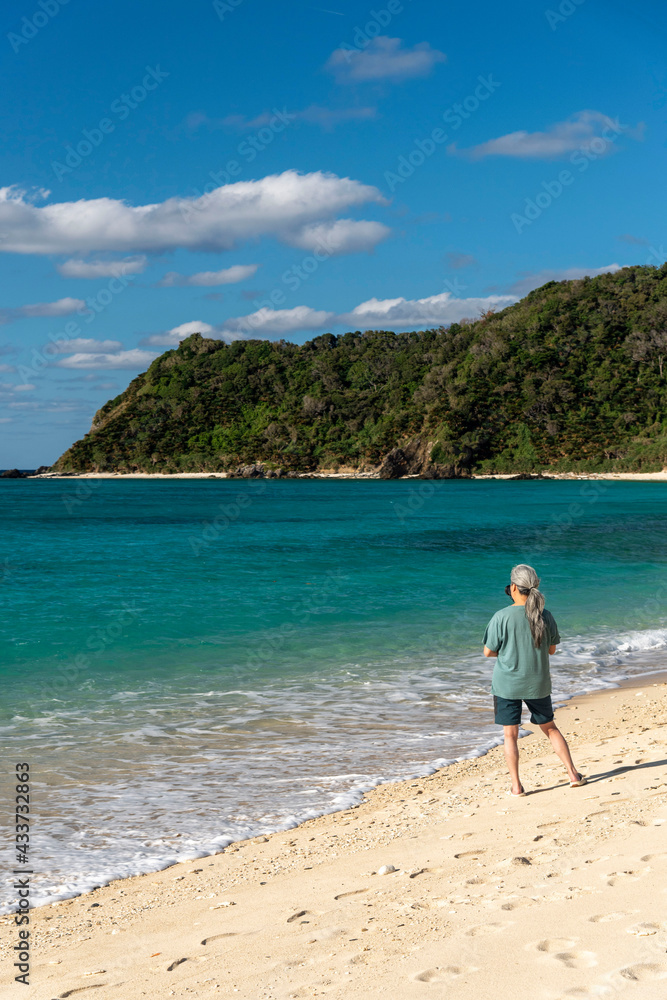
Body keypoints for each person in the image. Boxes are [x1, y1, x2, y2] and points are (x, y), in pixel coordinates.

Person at [483, 563, 585, 796]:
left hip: (507, 684)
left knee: (510, 734)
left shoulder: (501, 616)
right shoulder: (545, 615)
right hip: (537, 682)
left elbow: (488, 652)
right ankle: (572, 774)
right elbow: (551, 651)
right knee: (549, 728)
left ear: (513, 588)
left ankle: (516, 786)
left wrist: (509, 651)